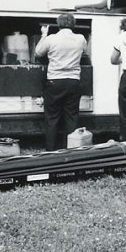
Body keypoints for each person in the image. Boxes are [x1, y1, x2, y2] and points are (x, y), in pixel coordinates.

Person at [35, 13, 87, 150]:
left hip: (55, 82)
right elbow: (84, 52)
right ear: (73, 24)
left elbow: (38, 53)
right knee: (71, 117)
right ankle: (71, 149)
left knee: (52, 118)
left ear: (58, 24)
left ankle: (51, 151)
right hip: (73, 81)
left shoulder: (51, 39)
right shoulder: (81, 38)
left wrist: (43, 35)